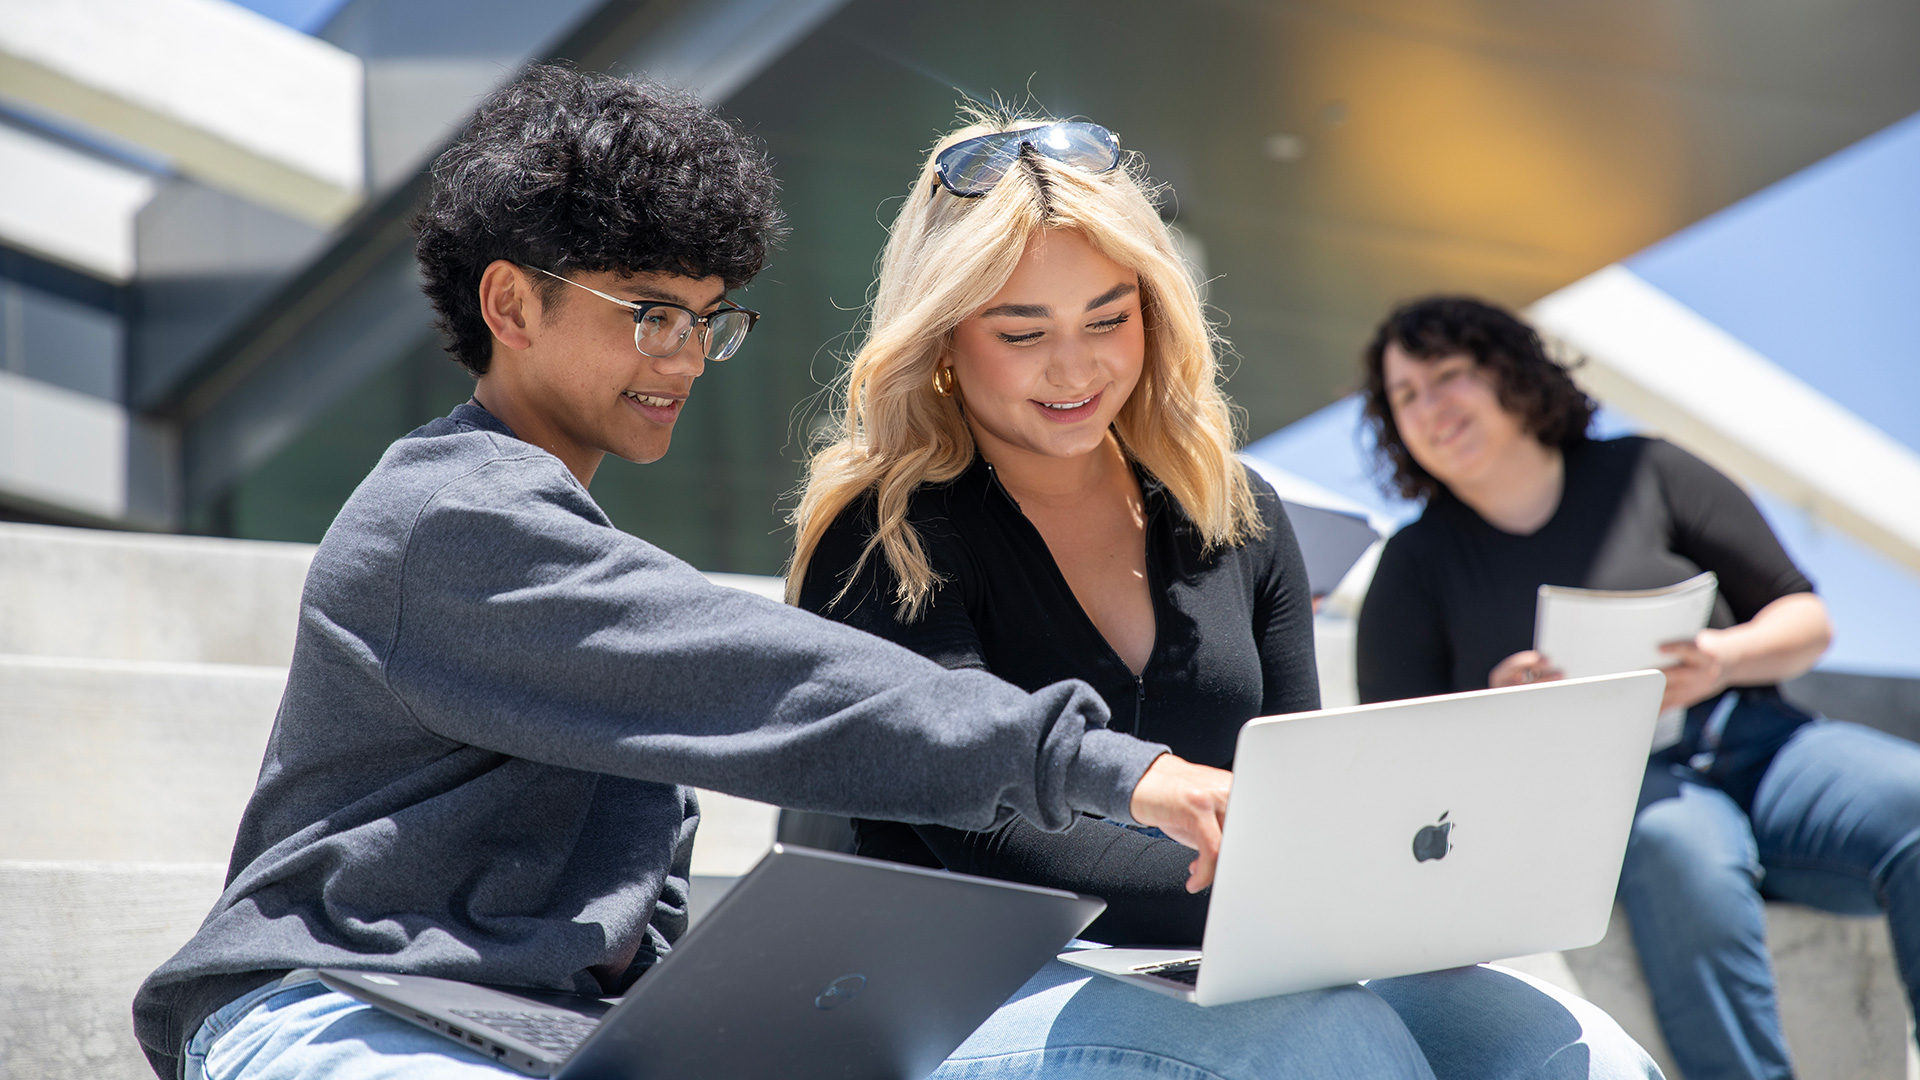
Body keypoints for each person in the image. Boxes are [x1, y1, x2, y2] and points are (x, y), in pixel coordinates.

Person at [128, 66, 1399, 1080]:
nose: (682, 356)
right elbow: (782, 682)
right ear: (509, 306)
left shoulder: (570, 536)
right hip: (341, 1011)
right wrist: (1116, 769)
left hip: (533, 1029)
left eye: (704, 317)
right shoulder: (449, 522)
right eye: (645, 311)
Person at [789, 113, 1662, 1079]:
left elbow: (1299, 783)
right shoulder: (885, 534)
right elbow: (986, 829)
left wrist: (1394, 890)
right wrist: (1288, 885)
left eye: (1108, 319)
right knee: (1332, 1045)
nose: (1075, 369)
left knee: (1578, 1054)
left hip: (1219, 963)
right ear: (944, 339)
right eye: (1022, 331)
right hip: (959, 995)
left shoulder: (1235, 511)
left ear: (1156, 313)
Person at [1352, 295, 1920, 1080]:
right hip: (1607, 794)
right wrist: (1503, 714)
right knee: (1680, 853)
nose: (1427, 407)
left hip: (1759, 744)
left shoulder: (1649, 470)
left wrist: (1720, 656)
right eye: (1404, 395)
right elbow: (1399, 755)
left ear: (1512, 374)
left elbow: (1805, 617)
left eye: (1447, 375)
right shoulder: (1415, 565)